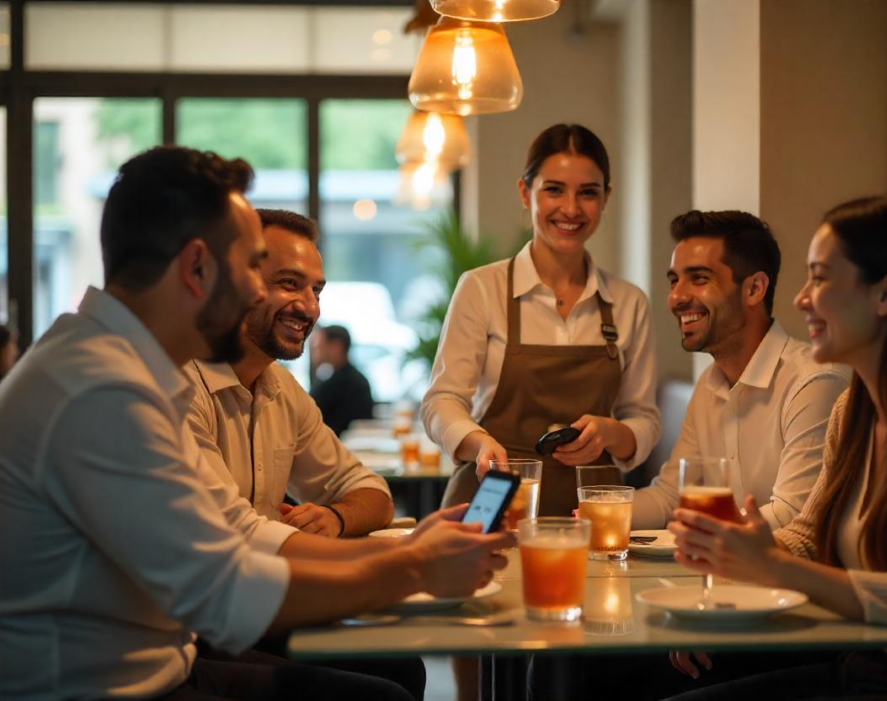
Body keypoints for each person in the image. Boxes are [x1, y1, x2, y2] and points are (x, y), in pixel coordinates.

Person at [0, 146, 511, 701]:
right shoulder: (101, 391)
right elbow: (229, 592)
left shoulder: (117, 366)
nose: (254, 291)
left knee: (390, 678)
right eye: (250, 266)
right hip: (101, 689)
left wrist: (410, 553)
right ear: (197, 267)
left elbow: (230, 546)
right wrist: (414, 567)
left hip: (167, 665)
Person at [667, 194, 887, 700]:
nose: (801, 299)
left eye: (821, 277)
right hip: (867, 664)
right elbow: (812, 539)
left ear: (886, 294)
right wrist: (732, 570)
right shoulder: (854, 412)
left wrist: (772, 566)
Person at [422, 123, 660, 517]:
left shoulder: (629, 302)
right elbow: (441, 401)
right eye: (554, 189)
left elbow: (645, 418)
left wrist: (612, 433)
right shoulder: (482, 288)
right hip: (493, 496)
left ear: (606, 199)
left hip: (595, 508)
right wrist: (480, 443)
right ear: (525, 192)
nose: (570, 208)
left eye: (588, 192)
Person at [633, 210, 850, 531]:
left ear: (754, 289)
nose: (676, 297)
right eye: (674, 280)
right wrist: (589, 518)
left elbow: (793, 514)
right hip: (734, 571)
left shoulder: (813, 382)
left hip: (790, 579)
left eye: (699, 278)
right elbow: (669, 496)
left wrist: (705, 532)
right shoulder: (710, 383)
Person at [185, 209, 393, 538]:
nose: (310, 308)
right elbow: (230, 535)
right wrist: (408, 560)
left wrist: (336, 518)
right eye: (289, 284)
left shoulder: (281, 387)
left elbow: (373, 492)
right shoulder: (180, 387)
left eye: (316, 291)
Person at [310, 324, 375, 434]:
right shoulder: (353, 378)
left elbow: (307, 411)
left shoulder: (341, 383)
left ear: (336, 346)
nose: (316, 349)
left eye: (320, 345)